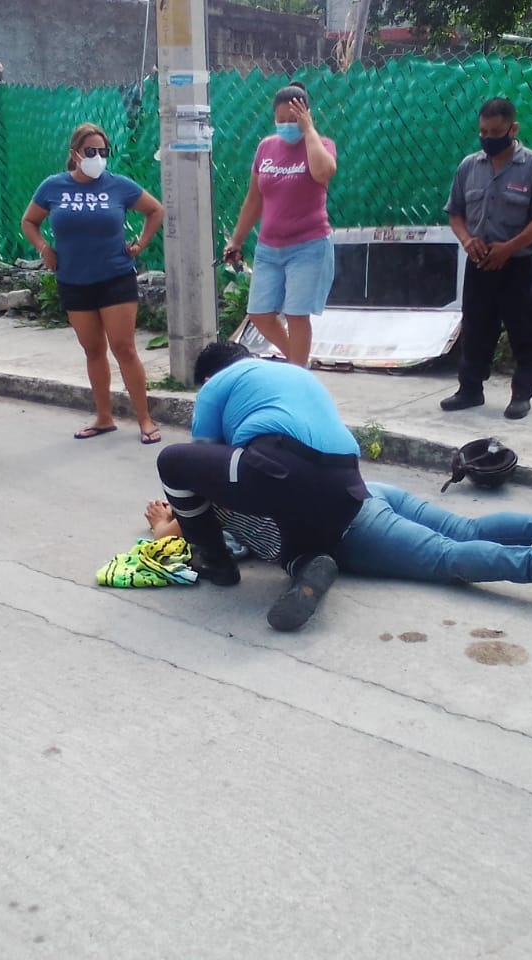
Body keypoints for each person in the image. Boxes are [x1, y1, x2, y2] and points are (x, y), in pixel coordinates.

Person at [144, 481, 532, 611]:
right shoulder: (236, 457)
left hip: (352, 526)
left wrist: (167, 528)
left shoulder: (207, 509)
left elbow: (221, 548)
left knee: (445, 558)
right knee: (467, 529)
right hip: (368, 489)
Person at [156, 341, 367, 631]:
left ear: (207, 378)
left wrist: (178, 518)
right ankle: (308, 566)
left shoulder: (215, 384)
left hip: (280, 470)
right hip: (347, 489)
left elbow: (205, 467)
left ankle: (215, 560)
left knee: (172, 461)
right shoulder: (295, 373)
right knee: (296, 549)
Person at [21, 122, 165, 443]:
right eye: (91, 151)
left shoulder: (119, 186)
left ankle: (144, 419)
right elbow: (29, 221)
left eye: (103, 151)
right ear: (74, 153)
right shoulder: (53, 187)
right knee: (93, 349)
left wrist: (140, 244)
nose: (98, 157)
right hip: (74, 280)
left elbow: (155, 210)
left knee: (124, 348)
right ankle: (104, 417)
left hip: (115, 278)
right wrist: (44, 248)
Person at [441, 97, 532, 421]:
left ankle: (522, 393)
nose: (489, 137)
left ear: (513, 128)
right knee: (476, 328)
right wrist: (468, 241)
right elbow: (455, 213)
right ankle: (470, 390)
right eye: (483, 131)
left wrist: (508, 247)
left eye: (496, 131)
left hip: (517, 265)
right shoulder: (469, 166)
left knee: (527, 331)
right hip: (479, 265)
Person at [221, 81, 337, 368]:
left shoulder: (321, 144)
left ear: (307, 114)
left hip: (308, 246)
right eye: (281, 120)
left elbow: (323, 172)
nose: (286, 125)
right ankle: (299, 364)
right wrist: (236, 240)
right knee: (259, 313)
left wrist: (308, 130)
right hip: (269, 248)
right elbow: (253, 200)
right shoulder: (266, 148)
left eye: (293, 119)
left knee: (297, 314)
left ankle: (297, 374)